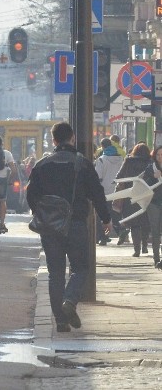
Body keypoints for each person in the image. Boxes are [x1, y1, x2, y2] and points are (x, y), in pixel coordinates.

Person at [26, 122, 112, 333]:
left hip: (50, 228)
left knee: (55, 273)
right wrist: (106, 218)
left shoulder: (42, 165)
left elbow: (31, 195)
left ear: (54, 140)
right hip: (75, 224)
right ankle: (71, 300)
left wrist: (43, 213)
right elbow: (97, 193)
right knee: (81, 268)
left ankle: (61, 321)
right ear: (72, 138)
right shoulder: (82, 163)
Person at [114, 142, 152, 258]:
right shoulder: (150, 162)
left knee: (134, 224)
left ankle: (137, 250)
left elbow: (119, 176)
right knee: (146, 222)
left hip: (131, 196)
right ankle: (145, 245)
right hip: (147, 195)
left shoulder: (129, 161)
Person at [94, 137, 124, 245]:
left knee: (103, 215)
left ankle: (103, 237)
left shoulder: (101, 160)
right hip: (117, 191)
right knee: (115, 214)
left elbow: (98, 176)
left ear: (102, 146)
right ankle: (122, 231)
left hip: (104, 191)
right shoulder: (121, 158)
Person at [140, 145, 162, 270]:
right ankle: (156, 258)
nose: (160, 158)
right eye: (158, 155)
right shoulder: (150, 167)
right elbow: (144, 184)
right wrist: (153, 177)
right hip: (153, 202)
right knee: (155, 231)